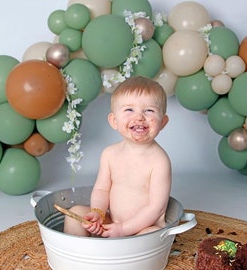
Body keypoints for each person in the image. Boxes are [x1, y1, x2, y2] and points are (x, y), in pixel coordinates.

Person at [64, 76, 172, 238]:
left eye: (149, 110)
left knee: (154, 234)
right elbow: (101, 190)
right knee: (76, 213)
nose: (139, 117)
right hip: (113, 221)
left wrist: (124, 229)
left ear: (162, 122)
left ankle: (125, 255)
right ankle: (77, 251)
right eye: (129, 110)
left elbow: (156, 208)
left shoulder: (159, 161)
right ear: (114, 121)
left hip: (143, 227)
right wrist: (98, 213)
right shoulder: (109, 154)